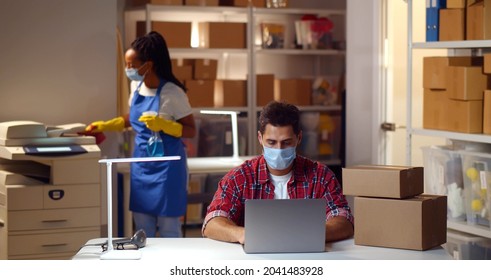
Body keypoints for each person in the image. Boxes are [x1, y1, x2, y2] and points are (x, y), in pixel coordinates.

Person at [86, 31, 196, 237]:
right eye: (126, 64)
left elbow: (191, 129)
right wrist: (107, 125)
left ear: (149, 65)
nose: (128, 69)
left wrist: (166, 125)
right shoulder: (136, 86)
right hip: (142, 166)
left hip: (168, 169)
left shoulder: (173, 93)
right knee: (142, 231)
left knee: (169, 230)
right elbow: (133, 117)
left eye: (131, 64)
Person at [202, 101, 353, 244]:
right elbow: (212, 222)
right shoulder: (239, 177)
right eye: (271, 142)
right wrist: (242, 234)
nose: (279, 150)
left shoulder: (320, 176)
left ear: (299, 138)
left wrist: (314, 234)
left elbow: (344, 219)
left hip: (307, 257)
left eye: (286, 142)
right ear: (260, 138)